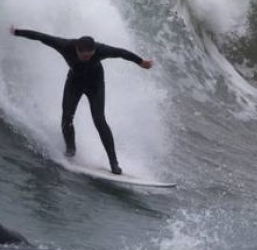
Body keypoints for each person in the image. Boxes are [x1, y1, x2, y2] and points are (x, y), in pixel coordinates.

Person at [10, 26, 153, 175]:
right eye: (84, 56)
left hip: (95, 85)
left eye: (90, 56)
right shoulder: (65, 46)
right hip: (74, 83)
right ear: (77, 49)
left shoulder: (100, 50)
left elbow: (120, 53)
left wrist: (140, 62)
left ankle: (114, 163)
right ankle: (70, 152)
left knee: (99, 120)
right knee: (67, 118)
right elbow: (41, 36)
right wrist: (17, 32)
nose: (87, 58)